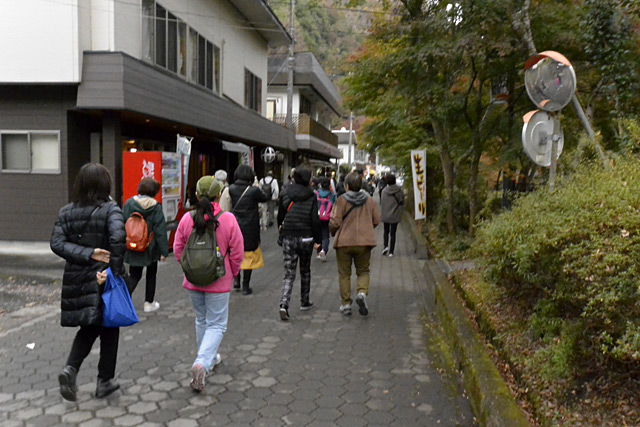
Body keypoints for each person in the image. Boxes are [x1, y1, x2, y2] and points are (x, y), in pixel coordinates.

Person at [50, 162, 127, 401]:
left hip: (78, 277)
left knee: (90, 326)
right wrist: (111, 268)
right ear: (105, 185)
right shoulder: (111, 209)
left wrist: (85, 253)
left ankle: (70, 369)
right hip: (103, 276)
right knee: (110, 326)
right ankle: (104, 381)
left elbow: (57, 243)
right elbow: (118, 237)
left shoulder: (66, 211)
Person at [173, 176, 244, 392]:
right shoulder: (228, 219)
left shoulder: (187, 219)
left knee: (202, 320)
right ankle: (202, 362)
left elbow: (178, 248)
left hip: (193, 281)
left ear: (196, 195)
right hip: (219, 281)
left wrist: (190, 268)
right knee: (216, 324)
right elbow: (238, 252)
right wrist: (232, 272)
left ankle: (209, 358)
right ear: (218, 195)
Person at [329, 172, 381, 316]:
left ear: (347, 186)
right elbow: (377, 220)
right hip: (364, 242)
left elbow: (334, 221)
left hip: (344, 242)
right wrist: (367, 229)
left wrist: (333, 232)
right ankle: (362, 293)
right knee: (363, 271)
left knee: (344, 274)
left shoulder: (341, 200)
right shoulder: (370, 201)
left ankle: (346, 304)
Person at [277, 167, 322, 320]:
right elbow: (315, 220)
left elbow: (280, 216)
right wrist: (318, 240)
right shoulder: (311, 195)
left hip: (288, 235)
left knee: (289, 273)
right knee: (305, 270)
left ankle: (284, 304)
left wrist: (280, 233)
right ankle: (304, 301)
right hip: (306, 237)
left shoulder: (285, 192)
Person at [122, 177, 169, 312]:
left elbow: (122, 223)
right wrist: (164, 252)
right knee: (151, 274)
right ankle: (149, 303)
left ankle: (124, 301)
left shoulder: (129, 204)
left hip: (132, 245)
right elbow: (160, 231)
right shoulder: (156, 207)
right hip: (150, 246)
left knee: (134, 275)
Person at [229, 164, 270, 295]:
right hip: (250, 227)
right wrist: (258, 186)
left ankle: (236, 280)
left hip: (235, 225)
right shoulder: (253, 190)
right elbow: (265, 197)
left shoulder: (231, 189)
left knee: (235, 253)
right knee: (248, 255)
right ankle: (245, 286)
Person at [380, 174, 405, 257]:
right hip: (395, 214)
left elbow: (382, 203)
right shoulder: (399, 191)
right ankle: (391, 251)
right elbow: (402, 201)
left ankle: (385, 246)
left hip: (385, 214)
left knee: (386, 231)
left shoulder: (384, 191)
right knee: (393, 233)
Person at [315, 176, 336, 261]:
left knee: (318, 234)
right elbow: (334, 207)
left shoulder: (316, 193)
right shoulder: (332, 195)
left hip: (316, 216)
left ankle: (319, 251)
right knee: (325, 235)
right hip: (327, 218)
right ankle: (324, 250)